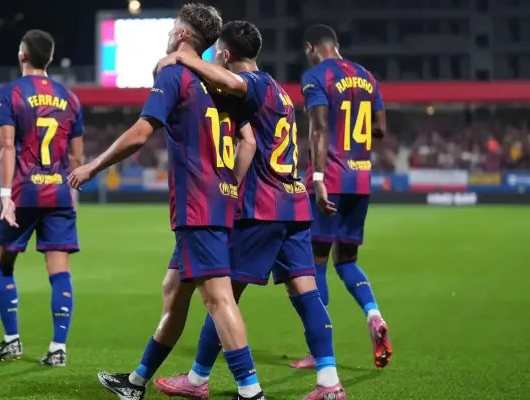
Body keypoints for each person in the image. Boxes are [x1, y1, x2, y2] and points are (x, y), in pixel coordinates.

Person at [68, 4, 266, 400]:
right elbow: (248, 140)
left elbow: (142, 133)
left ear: (184, 35)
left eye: (174, 26)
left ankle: (250, 391)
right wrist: (231, 184)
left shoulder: (175, 74)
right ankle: (136, 382)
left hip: (198, 204)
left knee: (218, 299)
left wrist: (92, 166)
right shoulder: (219, 81)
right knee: (174, 289)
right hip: (219, 200)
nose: (170, 32)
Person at [151, 21, 345, 400]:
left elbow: (232, 85)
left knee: (223, 297)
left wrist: (183, 59)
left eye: (216, 54)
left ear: (225, 54)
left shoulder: (253, 84)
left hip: (263, 207)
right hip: (293, 203)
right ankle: (328, 381)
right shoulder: (280, 91)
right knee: (306, 293)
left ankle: (198, 379)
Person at [290, 24, 392, 370]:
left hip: (330, 178)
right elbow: (380, 129)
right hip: (360, 178)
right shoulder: (367, 77)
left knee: (315, 262)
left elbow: (319, 127)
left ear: (311, 48)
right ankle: (374, 314)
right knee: (346, 261)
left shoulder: (316, 76)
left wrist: (318, 178)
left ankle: (318, 351)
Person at [0, 29, 84, 368]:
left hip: (23, 192)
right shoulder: (70, 98)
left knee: (4, 264)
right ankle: (58, 348)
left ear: (22, 55)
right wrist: (69, 195)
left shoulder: (10, 93)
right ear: (51, 58)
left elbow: (6, 146)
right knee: (59, 271)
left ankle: (12, 340)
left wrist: (5, 195)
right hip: (59, 192)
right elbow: (76, 156)